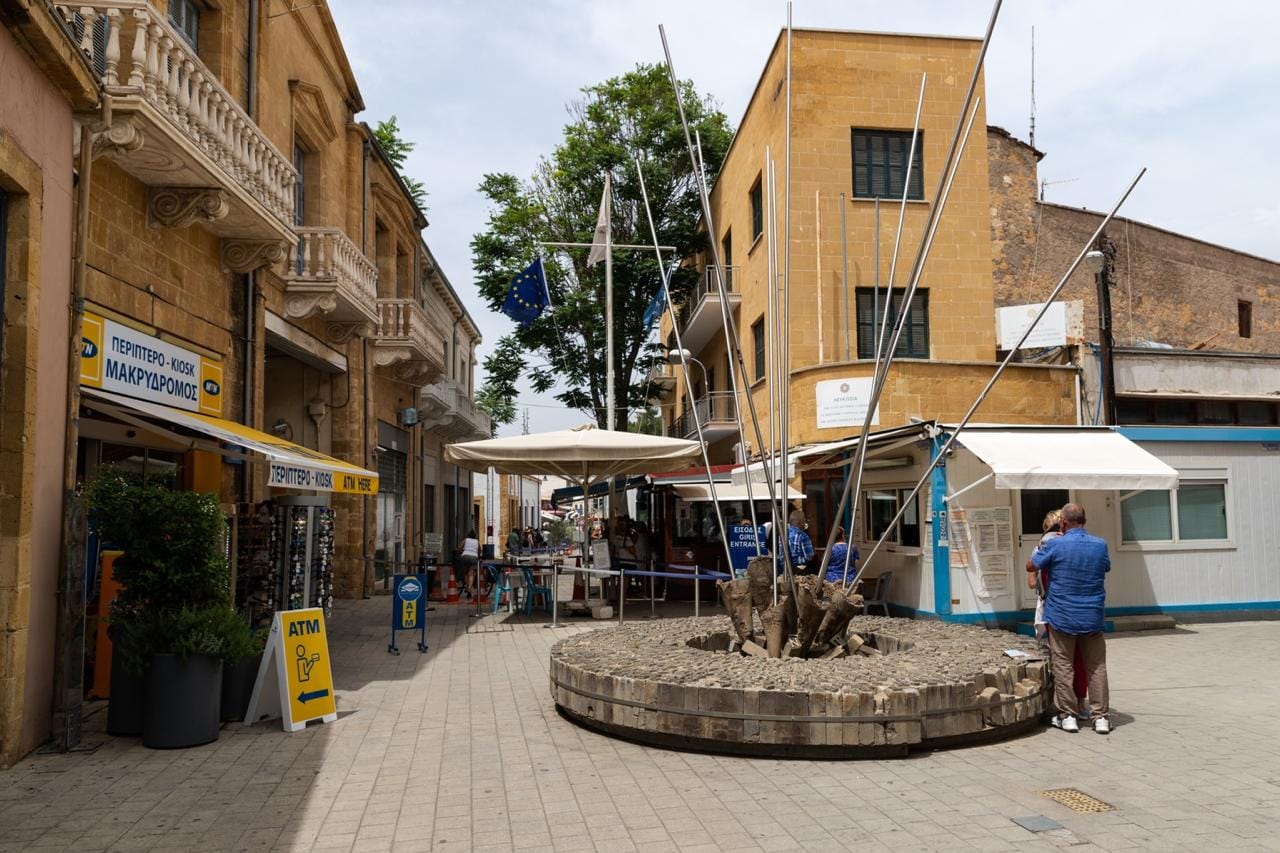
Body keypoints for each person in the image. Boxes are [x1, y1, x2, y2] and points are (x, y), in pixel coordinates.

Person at [1028, 503, 1111, 735]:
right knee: (1096, 666)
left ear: (1063, 523)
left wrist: (1042, 549)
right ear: (1084, 521)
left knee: (1063, 665)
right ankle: (1100, 718)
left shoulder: (1055, 544)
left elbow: (1031, 565)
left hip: (1061, 615)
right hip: (1092, 615)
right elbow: (1106, 567)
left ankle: (1068, 716)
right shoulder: (1100, 545)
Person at [780, 509, 814, 575]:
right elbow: (809, 556)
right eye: (804, 520)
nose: (805, 522)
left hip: (785, 569)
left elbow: (781, 555)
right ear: (800, 522)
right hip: (800, 570)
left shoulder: (783, 535)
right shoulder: (802, 535)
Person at [458, 529, 480, 599]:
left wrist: (460, 551)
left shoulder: (465, 540)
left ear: (468, 535)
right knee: (471, 574)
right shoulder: (477, 541)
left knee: (465, 573)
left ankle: (467, 587)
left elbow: (460, 547)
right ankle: (469, 589)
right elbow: (479, 550)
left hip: (465, 556)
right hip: (474, 557)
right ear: (475, 536)